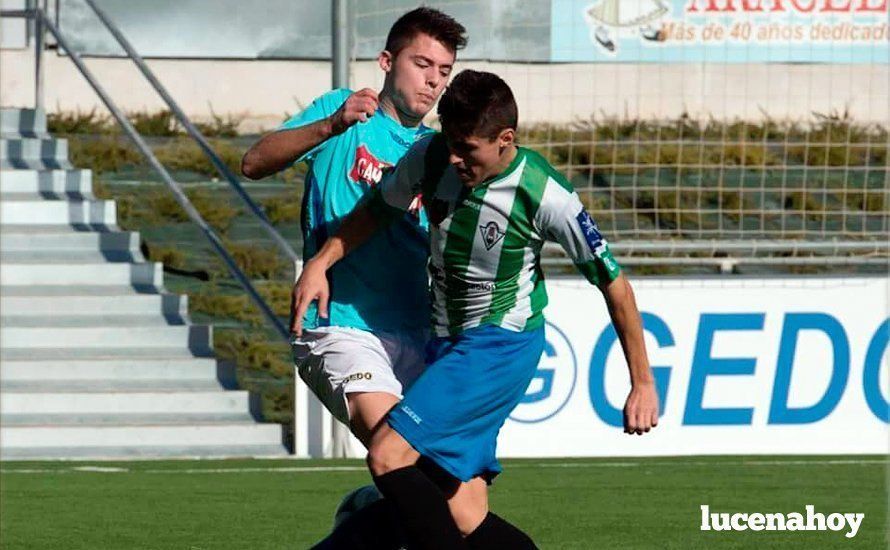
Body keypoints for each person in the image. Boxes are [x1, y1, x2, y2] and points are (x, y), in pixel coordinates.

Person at [292, 69, 661, 549]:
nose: (454, 158)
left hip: (498, 346)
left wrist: (643, 382)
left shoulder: (545, 192)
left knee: (388, 456)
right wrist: (322, 260)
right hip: (445, 345)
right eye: (449, 142)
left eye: (467, 148)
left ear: (505, 140)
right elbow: (379, 209)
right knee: (460, 510)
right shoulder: (429, 157)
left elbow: (614, 284)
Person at [242, 8, 533, 548]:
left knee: (459, 501)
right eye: (422, 63)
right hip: (342, 324)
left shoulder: (443, 154)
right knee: (401, 458)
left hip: (419, 333)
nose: (433, 80)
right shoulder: (342, 113)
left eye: (444, 70)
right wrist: (330, 126)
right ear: (386, 61)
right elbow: (254, 162)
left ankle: (366, 521)